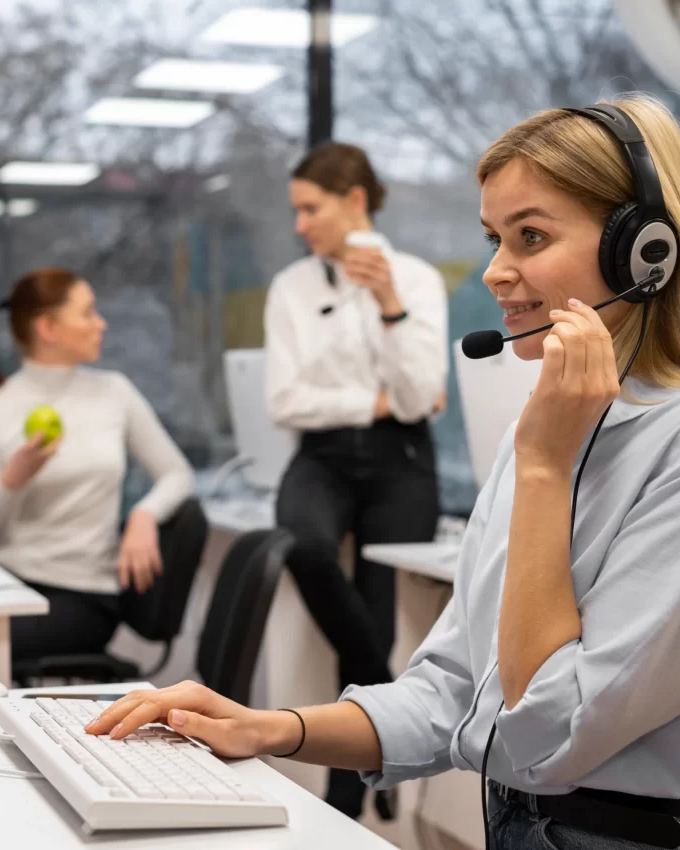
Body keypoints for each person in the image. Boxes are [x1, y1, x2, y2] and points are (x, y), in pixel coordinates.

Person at [86, 97, 680, 850]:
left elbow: (547, 734)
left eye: (530, 236)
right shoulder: (549, 436)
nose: (495, 272)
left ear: (643, 253)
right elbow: (451, 693)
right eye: (494, 238)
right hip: (529, 825)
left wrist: (542, 472)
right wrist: (268, 727)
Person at [264, 142, 448, 817]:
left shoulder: (417, 280)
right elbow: (285, 402)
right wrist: (367, 402)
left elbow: (420, 393)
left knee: (375, 606)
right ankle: (383, 707)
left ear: (355, 202)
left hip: (401, 462)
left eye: (310, 208)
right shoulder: (292, 288)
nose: (300, 224)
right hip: (321, 457)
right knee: (302, 543)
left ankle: (345, 797)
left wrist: (389, 303)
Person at [0, 267, 203, 667]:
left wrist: (144, 515)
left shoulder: (114, 392)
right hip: (5, 586)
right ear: (49, 329)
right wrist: (13, 481)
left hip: (84, 597)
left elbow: (178, 474)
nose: (101, 323)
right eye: (88, 313)